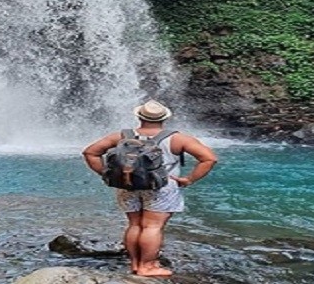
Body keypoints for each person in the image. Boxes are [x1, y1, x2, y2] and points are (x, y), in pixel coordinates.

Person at [82, 100, 218, 277]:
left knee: (135, 224)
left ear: (139, 116)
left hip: (127, 184)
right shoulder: (177, 139)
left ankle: (135, 264)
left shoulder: (122, 136)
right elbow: (209, 159)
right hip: (161, 186)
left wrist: (106, 174)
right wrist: (188, 179)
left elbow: (90, 152)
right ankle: (148, 266)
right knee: (153, 226)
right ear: (164, 118)